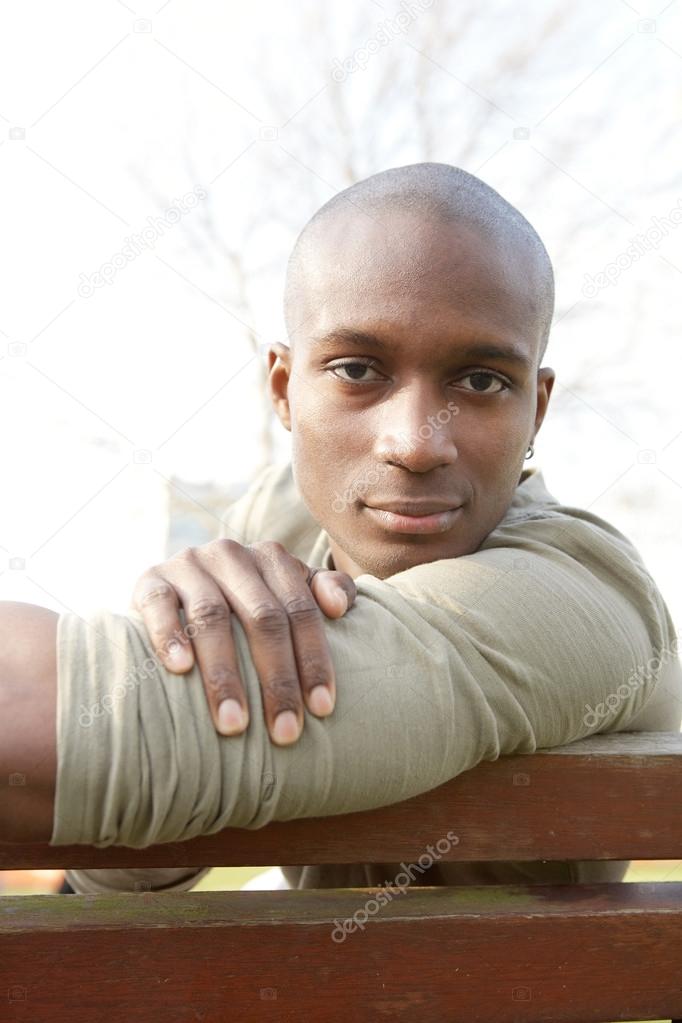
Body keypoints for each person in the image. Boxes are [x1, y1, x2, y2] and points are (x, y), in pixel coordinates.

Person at [2, 163, 680, 899]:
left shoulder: (585, 597)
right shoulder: (277, 525)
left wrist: (162, 738)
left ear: (536, 410)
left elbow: (71, 732)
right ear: (283, 389)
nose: (416, 442)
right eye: (359, 369)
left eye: (480, 380)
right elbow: (117, 854)